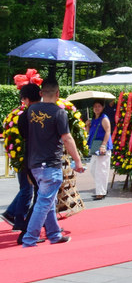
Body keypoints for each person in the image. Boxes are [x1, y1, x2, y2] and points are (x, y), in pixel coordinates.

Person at [22, 77, 84, 247]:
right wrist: (78, 162)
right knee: (44, 202)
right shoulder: (59, 112)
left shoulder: (31, 110)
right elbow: (67, 138)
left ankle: (54, 234)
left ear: (41, 93)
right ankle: (29, 239)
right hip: (50, 164)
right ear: (58, 94)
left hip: (34, 164)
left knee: (49, 201)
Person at [2, 83, 41, 243]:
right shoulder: (45, 113)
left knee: (34, 193)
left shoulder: (22, 116)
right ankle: (25, 228)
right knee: (37, 195)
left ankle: (17, 218)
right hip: (39, 160)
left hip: (27, 158)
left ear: (26, 99)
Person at [87, 100, 113, 200]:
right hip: (95, 147)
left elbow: (108, 131)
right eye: (95, 106)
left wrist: (103, 145)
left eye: (99, 106)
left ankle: (101, 192)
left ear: (102, 107)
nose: (96, 108)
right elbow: (90, 133)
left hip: (102, 147)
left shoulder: (104, 118)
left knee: (101, 170)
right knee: (93, 169)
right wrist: (87, 125)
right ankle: (102, 190)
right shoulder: (93, 119)